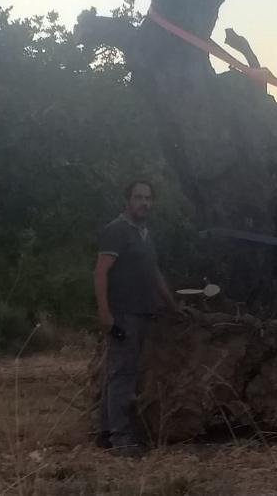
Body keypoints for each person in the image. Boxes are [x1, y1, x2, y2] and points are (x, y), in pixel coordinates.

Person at [93, 179, 179, 456]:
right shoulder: (116, 230)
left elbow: (154, 271)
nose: (144, 203)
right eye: (138, 197)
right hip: (124, 313)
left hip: (143, 312)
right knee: (123, 374)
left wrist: (171, 303)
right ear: (127, 200)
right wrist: (105, 312)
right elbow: (101, 272)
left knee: (120, 372)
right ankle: (122, 439)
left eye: (148, 198)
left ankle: (106, 432)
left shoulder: (144, 233)